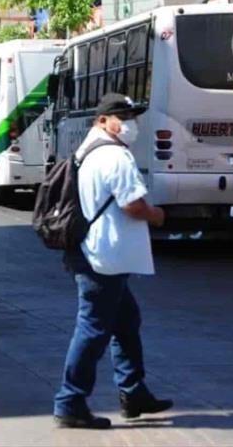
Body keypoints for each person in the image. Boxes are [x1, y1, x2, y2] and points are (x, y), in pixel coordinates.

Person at [53, 93, 173, 429]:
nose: (131, 123)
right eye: (123, 116)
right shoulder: (114, 156)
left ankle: (133, 392)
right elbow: (132, 205)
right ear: (103, 120)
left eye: (132, 116)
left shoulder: (86, 151)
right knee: (92, 330)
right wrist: (157, 215)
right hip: (104, 256)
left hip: (97, 253)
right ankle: (70, 401)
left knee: (126, 322)